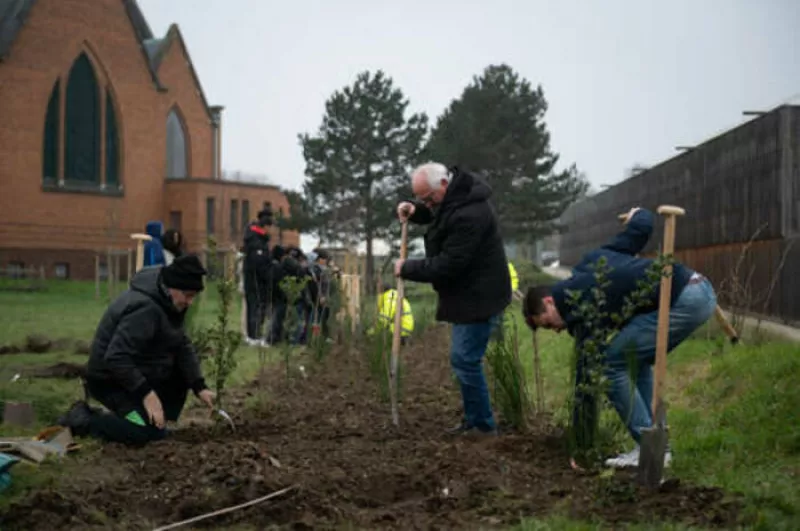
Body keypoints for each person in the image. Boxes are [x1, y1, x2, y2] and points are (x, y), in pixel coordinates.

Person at [522, 207, 717, 468]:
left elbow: (586, 383)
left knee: (610, 364)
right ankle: (655, 443)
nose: (555, 330)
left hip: (684, 299)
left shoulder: (584, 307)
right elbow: (641, 228)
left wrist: (581, 446)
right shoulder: (593, 260)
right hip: (698, 287)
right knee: (634, 360)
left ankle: (651, 449)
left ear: (549, 302)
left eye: (548, 324)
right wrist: (639, 214)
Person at [395, 162, 511, 436]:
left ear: (444, 185)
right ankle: (474, 420)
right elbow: (440, 214)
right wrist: (417, 211)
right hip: (468, 293)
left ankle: (482, 425)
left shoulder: (471, 214)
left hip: (480, 296)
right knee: (464, 360)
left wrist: (408, 268)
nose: (426, 203)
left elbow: (450, 263)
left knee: (465, 359)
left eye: (427, 198)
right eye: (421, 199)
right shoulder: (457, 198)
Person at [57, 255, 215, 446]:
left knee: (178, 369)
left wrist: (199, 386)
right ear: (172, 287)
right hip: (109, 380)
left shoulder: (170, 302)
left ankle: (155, 419)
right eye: (188, 295)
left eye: (193, 296)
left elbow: (181, 344)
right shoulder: (145, 309)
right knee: (143, 433)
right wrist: (147, 394)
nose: (190, 302)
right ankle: (83, 420)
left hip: (137, 370)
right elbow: (116, 357)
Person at [242, 207, 273, 346]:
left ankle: (255, 334)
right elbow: (258, 263)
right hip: (255, 278)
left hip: (256, 278)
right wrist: (267, 274)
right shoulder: (256, 241)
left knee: (257, 306)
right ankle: (253, 336)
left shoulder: (258, 238)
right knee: (255, 305)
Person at [372, 281, 414, 345]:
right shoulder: (394, 296)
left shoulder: (389, 300)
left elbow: (383, 320)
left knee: (383, 334)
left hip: (401, 330)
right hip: (405, 328)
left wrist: (372, 332)